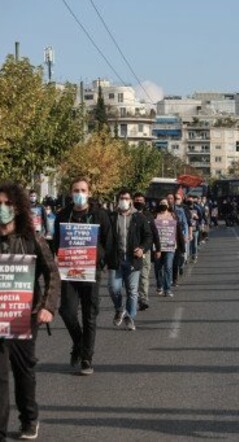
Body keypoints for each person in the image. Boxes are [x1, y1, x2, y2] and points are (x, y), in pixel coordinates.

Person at [0, 182, 60, 441]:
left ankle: (29, 418)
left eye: (7, 204)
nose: (2, 209)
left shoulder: (31, 239)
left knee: (23, 370)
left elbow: (52, 273)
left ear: (18, 207)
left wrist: (47, 306)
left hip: (25, 315)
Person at [55, 177, 112, 375]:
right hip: (69, 271)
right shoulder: (63, 214)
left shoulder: (100, 215)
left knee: (89, 315)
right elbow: (56, 241)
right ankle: (79, 343)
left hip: (90, 271)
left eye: (82, 190)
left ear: (89, 193)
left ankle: (87, 358)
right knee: (66, 311)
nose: (79, 194)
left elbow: (108, 241)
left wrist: (100, 259)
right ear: (71, 193)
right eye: (75, 190)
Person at [108, 189, 152, 331]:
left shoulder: (139, 217)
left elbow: (148, 236)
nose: (123, 200)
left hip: (133, 260)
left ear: (131, 200)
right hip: (116, 259)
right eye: (121, 198)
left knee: (132, 291)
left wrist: (142, 248)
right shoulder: (112, 217)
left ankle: (130, 317)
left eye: (126, 198)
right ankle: (120, 309)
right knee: (114, 288)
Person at [133, 193, 161, 311]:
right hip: (132, 251)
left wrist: (158, 248)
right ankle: (134, 297)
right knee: (133, 276)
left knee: (144, 275)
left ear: (144, 203)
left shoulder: (148, 216)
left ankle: (143, 298)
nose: (139, 202)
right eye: (137, 200)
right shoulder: (129, 215)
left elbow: (154, 233)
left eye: (141, 200)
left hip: (145, 250)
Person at [154, 199, 185, 297]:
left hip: (170, 246)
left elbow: (178, 231)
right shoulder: (155, 216)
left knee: (168, 267)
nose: (163, 205)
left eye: (165, 203)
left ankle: (167, 289)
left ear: (168, 205)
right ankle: (159, 285)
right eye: (161, 203)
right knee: (158, 268)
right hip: (158, 247)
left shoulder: (173, 216)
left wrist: (182, 246)